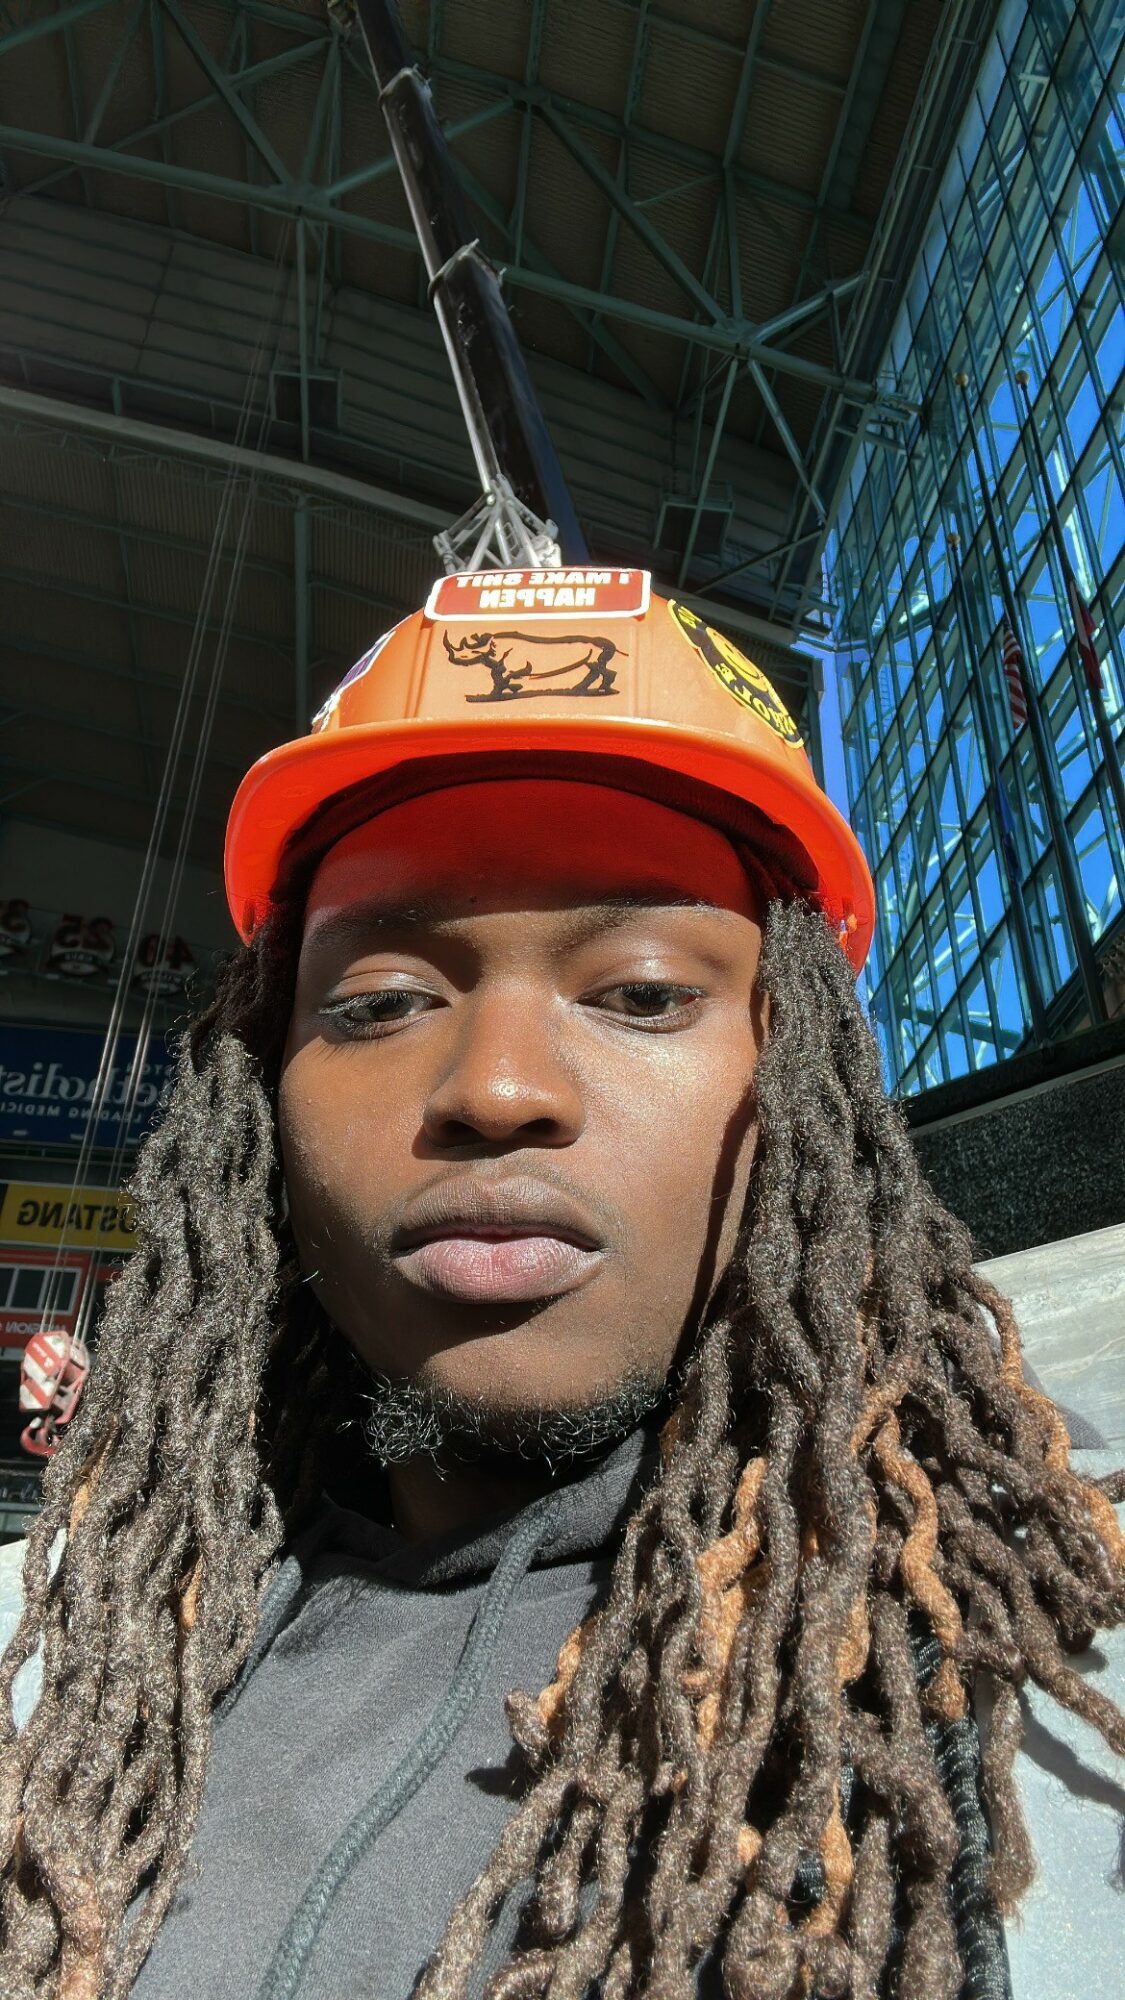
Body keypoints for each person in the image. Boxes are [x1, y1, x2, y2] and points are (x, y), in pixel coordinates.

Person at [0, 578, 1120, 2000]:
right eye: (380, 1003)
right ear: (256, 1096)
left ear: (806, 1083)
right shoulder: (60, 1670)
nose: (495, 1088)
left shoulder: (1053, 1619)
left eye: (641, 993)